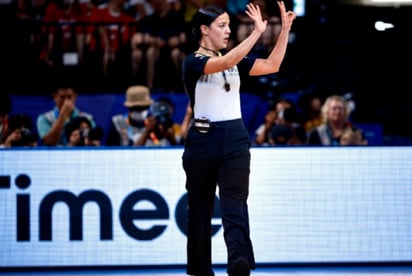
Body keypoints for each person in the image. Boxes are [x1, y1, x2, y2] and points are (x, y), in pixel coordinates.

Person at [181, 2, 296, 276]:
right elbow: (226, 61)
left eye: (229, 26)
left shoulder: (233, 60)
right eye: (222, 26)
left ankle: (239, 262)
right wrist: (257, 33)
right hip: (203, 139)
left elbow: (272, 64)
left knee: (235, 202)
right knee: (200, 207)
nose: (228, 31)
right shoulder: (193, 62)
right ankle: (199, 268)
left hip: (234, 137)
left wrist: (285, 30)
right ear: (204, 30)